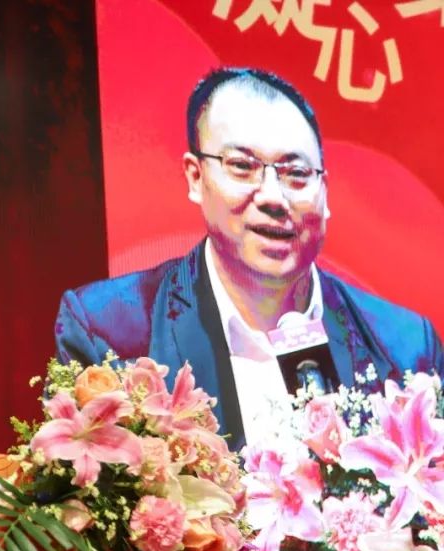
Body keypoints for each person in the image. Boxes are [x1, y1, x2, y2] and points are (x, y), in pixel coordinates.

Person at [55, 66, 444, 449]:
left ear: (324, 192)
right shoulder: (107, 330)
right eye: (242, 167)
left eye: (296, 173)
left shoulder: (406, 347)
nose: (274, 197)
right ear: (195, 177)